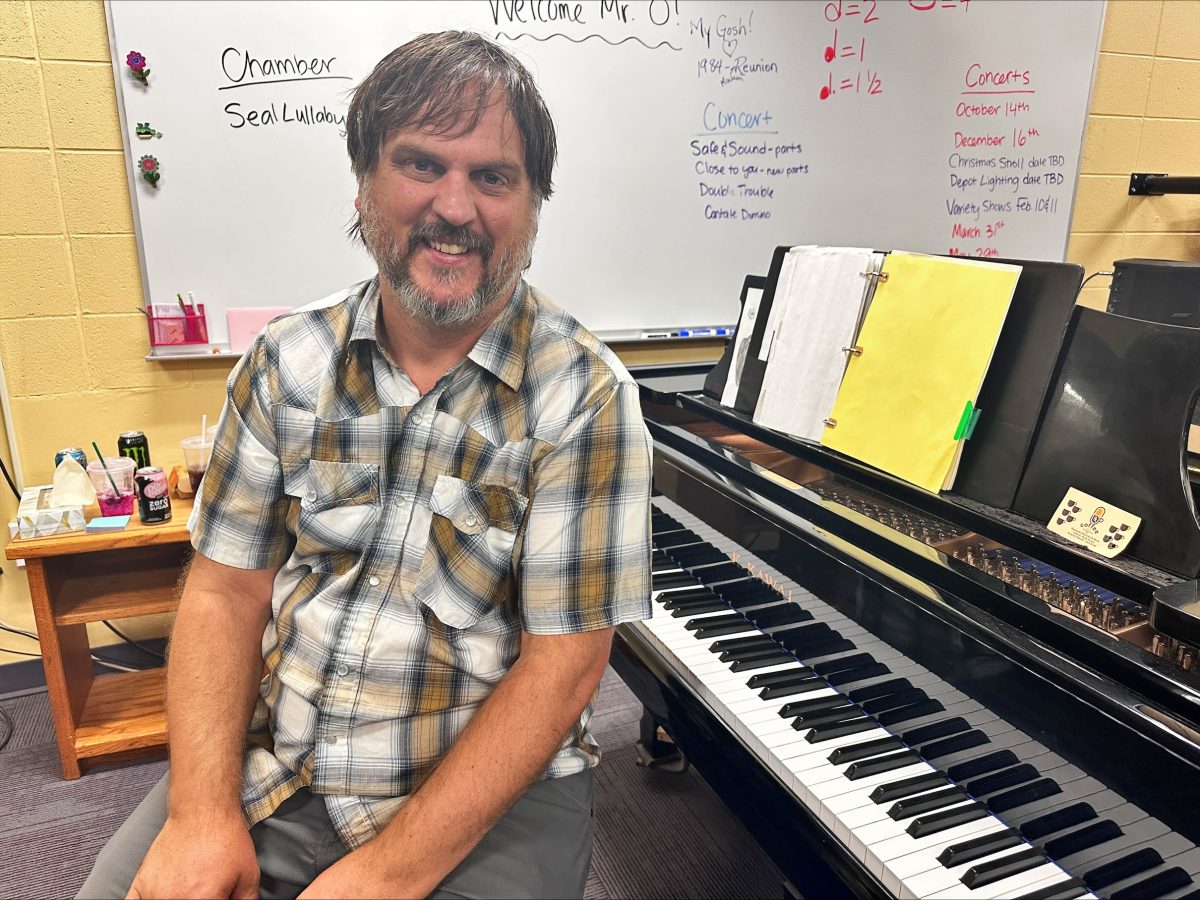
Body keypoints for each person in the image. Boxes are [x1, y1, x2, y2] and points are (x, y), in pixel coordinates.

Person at [79, 30, 652, 900]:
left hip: (487, 796)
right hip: (282, 759)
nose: (455, 207)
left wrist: (384, 877)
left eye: (493, 177)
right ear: (364, 185)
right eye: (421, 164)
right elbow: (224, 590)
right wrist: (201, 817)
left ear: (534, 206)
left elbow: (563, 669)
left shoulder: (585, 398)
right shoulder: (285, 362)